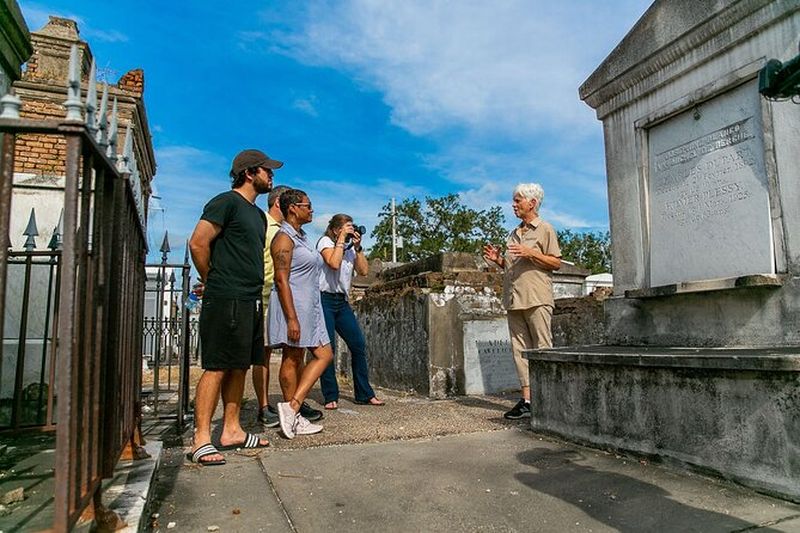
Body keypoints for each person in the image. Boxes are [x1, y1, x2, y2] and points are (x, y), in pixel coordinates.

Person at [186, 149, 280, 465]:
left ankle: (232, 431)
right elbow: (198, 242)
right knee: (217, 365)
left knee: (240, 364)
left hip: (251, 299)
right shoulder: (225, 202)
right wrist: (211, 277)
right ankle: (200, 439)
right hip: (225, 296)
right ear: (250, 172)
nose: (272, 175)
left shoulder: (256, 215)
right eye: (267, 170)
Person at [483, 183, 561, 420]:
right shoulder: (514, 233)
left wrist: (532, 253)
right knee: (520, 351)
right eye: (514, 200)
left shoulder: (545, 229)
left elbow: (555, 262)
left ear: (532, 203)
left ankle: (550, 398)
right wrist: (499, 261)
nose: (514, 204)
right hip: (514, 299)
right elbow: (514, 265)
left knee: (542, 347)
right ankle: (527, 401)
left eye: (518, 200)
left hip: (537, 298)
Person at [267, 189, 333, 439]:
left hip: (310, 307)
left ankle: (292, 408)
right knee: (293, 356)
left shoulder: (302, 236)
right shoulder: (284, 238)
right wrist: (291, 317)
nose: (311, 210)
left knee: (323, 354)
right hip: (293, 306)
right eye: (308, 205)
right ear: (293, 208)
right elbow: (281, 280)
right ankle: (292, 412)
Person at [317, 214, 384, 409]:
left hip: (342, 302)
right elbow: (334, 263)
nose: (351, 231)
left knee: (358, 345)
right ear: (337, 230)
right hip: (324, 300)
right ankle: (330, 395)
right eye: (347, 227)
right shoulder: (325, 242)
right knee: (328, 350)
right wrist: (340, 241)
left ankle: (364, 393)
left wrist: (358, 247)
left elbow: (364, 272)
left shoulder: (350, 249)